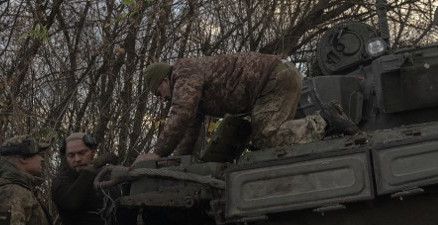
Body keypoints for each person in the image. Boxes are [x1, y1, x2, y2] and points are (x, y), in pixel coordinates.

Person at [140, 54, 358, 159]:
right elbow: (188, 129)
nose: (161, 98)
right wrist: (173, 161)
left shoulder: (182, 72)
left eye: (158, 92)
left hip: (274, 79)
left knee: (266, 136)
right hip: (276, 78)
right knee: (275, 140)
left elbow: (182, 113)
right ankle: (327, 129)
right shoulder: (189, 85)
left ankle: (326, 120)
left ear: (164, 80)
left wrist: (157, 154)